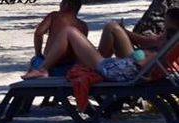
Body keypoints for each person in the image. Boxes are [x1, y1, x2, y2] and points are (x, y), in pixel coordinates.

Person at [23, 8, 179, 82]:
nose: (164, 27)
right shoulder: (173, 40)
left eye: (166, 24)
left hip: (124, 69)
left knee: (69, 31)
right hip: (127, 67)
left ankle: (43, 69)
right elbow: (150, 55)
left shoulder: (171, 40)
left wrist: (139, 54)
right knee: (111, 27)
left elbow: (144, 60)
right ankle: (46, 68)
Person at [27, 0, 88, 76]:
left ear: (65, 5)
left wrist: (38, 54)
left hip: (47, 65)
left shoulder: (54, 16)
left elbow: (39, 33)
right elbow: (81, 50)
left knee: (35, 60)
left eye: (61, 3)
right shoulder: (83, 26)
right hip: (67, 68)